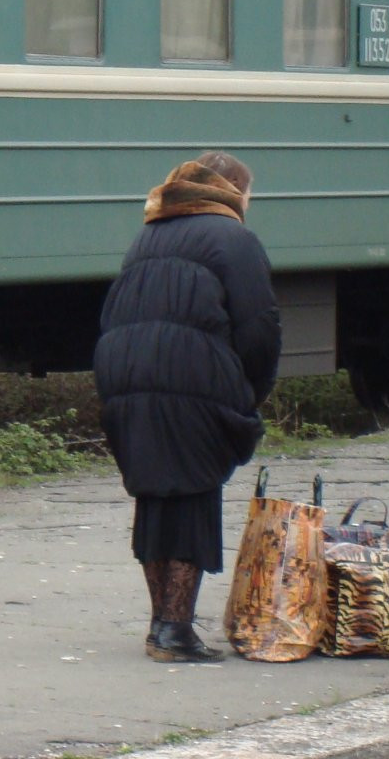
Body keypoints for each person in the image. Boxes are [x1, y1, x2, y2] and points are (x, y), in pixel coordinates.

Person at [93, 151, 281, 663]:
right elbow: (259, 325)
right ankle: (175, 631)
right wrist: (249, 390)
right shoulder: (234, 238)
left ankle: (162, 626)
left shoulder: (148, 236)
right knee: (194, 495)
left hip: (127, 375)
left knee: (156, 498)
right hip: (191, 377)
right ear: (234, 190)